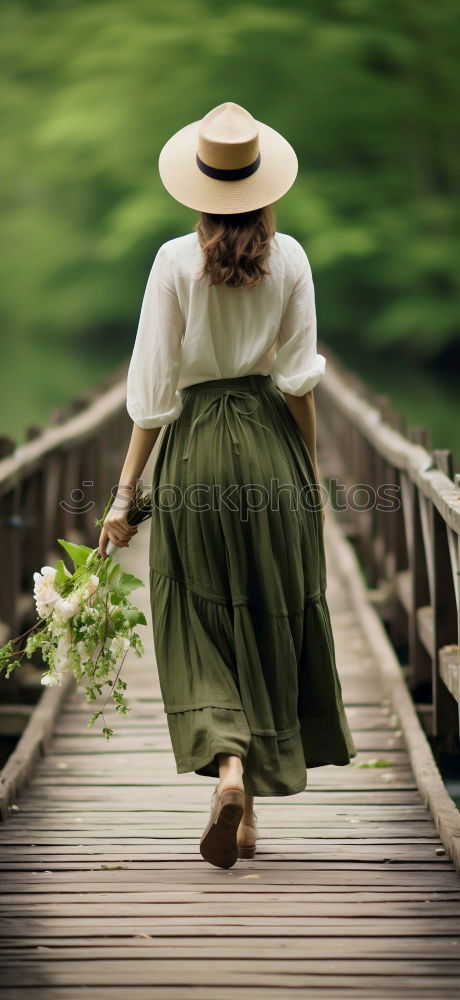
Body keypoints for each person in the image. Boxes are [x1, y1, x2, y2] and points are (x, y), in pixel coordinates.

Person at [98, 101, 356, 870]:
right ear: (263, 186)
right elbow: (301, 380)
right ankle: (250, 817)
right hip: (272, 448)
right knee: (270, 612)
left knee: (198, 615)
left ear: (199, 189)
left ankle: (231, 773)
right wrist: (308, 478)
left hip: (196, 453)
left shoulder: (173, 262)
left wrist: (123, 501)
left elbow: (152, 394)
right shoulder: (294, 258)